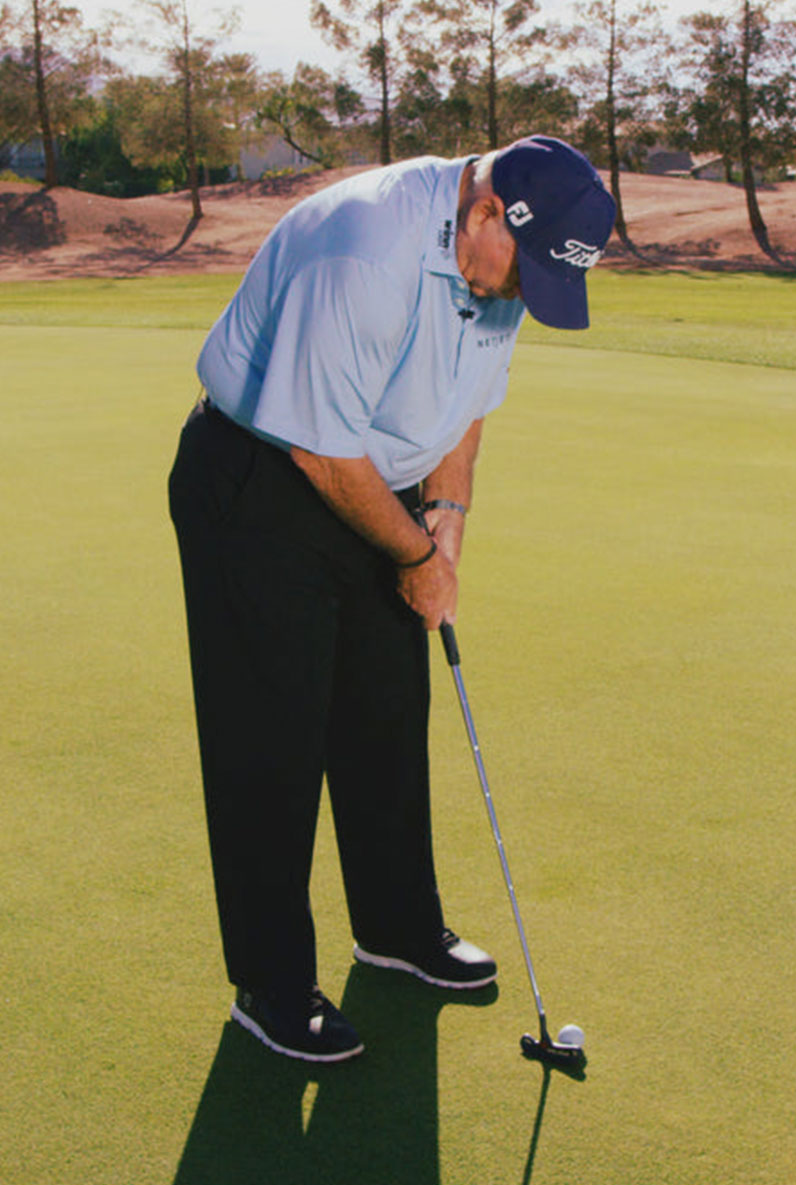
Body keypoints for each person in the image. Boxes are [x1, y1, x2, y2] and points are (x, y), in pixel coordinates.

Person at [168, 136, 615, 1063]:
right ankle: (272, 983)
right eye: (525, 271)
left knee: (386, 713)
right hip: (258, 478)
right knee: (271, 740)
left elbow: (467, 409)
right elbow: (320, 449)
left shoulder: (501, 260)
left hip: (377, 486)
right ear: (485, 211)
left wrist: (446, 526)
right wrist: (416, 557)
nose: (523, 292)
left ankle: (398, 927)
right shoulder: (362, 247)